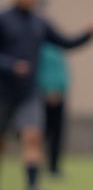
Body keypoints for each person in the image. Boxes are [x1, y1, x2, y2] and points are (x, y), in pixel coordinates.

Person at [0, 0, 93, 190]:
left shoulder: (40, 23)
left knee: (33, 137)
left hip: (29, 92)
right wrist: (11, 65)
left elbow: (65, 42)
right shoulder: (4, 19)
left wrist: (88, 35)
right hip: (3, 90)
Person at [38, 42, 68, 178]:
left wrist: (60, 90)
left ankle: (54, 167)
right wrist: (48, 90)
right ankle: (38, 166)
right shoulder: (41, 50)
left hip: (59, 97)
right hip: (44, 97)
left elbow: (63, 74)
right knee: (41, 134)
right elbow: (41, 73)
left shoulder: (58, 49)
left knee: (57, 134)